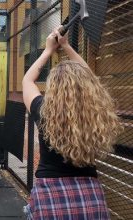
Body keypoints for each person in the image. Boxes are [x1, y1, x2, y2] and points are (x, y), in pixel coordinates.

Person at [22, 27, 122, 219]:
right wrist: (66, 47)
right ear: (89, 89)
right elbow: (90, 78)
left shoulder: (44, 111)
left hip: (50, 196)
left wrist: (48, 50)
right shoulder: (96, 114)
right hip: (90, 196)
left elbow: (28, 80)